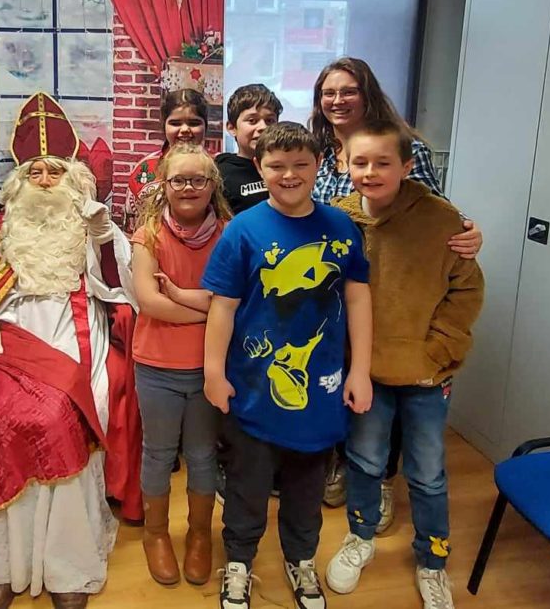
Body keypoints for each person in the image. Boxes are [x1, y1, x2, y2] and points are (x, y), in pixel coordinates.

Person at [0, 98, 133, 609]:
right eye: (34, 172)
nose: (44, 182)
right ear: (19, 181)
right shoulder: (0, 227)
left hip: (71, 328)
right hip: (6, 332)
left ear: (73, 177)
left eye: (54, 172)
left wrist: (103, 235)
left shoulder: (91, 223)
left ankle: (65, 562)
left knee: (52, 417)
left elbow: (117, 286)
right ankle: (2, 563)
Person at [200, 122, 374, 609]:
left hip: (321, 389)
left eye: (301, 164)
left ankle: (302, 559)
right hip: (253, 387)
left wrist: (360, 370)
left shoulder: (342, 227)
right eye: (277, 166)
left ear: (320, 165)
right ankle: (239, 562)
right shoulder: (243, 230)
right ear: (259, 167)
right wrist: (214, 371)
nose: (290, 174)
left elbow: (358, 300)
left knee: (307, 485)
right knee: (247, 485)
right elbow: (222, 307)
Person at [308, 56, 483, 518]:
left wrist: (469, 231)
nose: (338, 100)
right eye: (329, 92)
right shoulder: (322, 150)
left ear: (367, 93)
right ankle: (346, 466)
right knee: (351, 396)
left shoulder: (408, 148)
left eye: (349, 90)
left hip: (398, 296)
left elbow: (435, 218)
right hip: (344, 302)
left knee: (395, 397)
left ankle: (383, 480)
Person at [324, 122, 484, 609]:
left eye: (383, 162)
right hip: (365, 371)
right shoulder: (338, 219)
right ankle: (360, 537)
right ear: (345, 165)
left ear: (408, 166)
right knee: (364, 460)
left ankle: (433, 562)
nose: (371, 172)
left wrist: (438, 350)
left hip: (425, 374)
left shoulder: (441, 220)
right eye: (360, 162)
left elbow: (466, 290)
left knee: (428, 471)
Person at [128, 145, 232, 587]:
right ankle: (156, 534)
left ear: (213, 186)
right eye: (179, 180)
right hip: (156, 365)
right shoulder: (148, 235)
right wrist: (211, 311)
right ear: (164, 186)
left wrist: (195, 301)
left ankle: (199, 534)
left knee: (204, 455)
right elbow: (150, 302)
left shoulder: (229, 234)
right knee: (157, 452)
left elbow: (234, 297)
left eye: (198, 180)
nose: (188, 188)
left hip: (209, 366)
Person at [129, 88, 210, 201]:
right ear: (164, 126)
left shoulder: (219, 167)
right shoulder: (144, 169)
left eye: (193, 123)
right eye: (175, 123)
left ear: (205, 126)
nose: (185, 129)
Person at [216, 84, 280, 213]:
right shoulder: (220, 173)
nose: (263, 127)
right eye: (252, 120)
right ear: (232, 128)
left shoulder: (286, 167)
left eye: (269, 121)